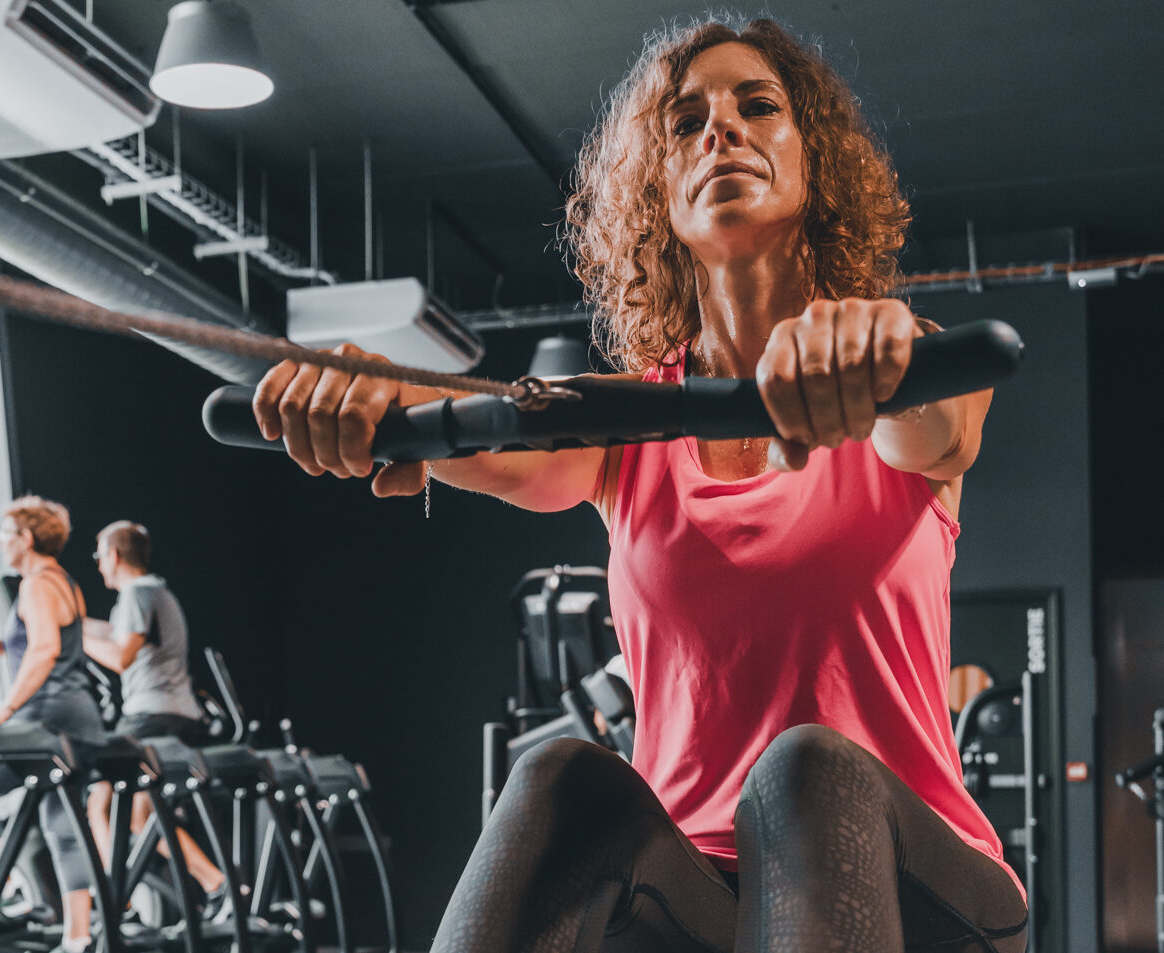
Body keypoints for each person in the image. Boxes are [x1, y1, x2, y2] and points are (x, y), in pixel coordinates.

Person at [250, 15, 1026, 953]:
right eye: (685, 120)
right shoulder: (629, 423)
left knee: (804, 769)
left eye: (758, 107)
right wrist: (373, 397)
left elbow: (938, 431)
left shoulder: (908, 368)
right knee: (560, 777)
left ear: (811, 159)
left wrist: (874, 358)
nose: (720, 130)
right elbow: (490, 434)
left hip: (924, 896)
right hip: (700, 899)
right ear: (660, 190)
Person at [0, 496, 104, 953]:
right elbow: (46, 643)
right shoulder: (65, 583)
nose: (1, 542)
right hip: (80, 715)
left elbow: (43, 651)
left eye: (5, 534)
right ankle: (77, 939)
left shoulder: (36, 584)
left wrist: (3, 709)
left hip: (47, 712)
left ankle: (13, 891)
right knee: (62, 823)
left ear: (27, 538)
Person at [81, 520, 225, 899]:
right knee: (143, 815)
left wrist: (73, 636)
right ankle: (218, 885)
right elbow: (114, 634)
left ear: (113, 555)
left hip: (150, 715)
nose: (98, 565)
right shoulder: (158, 593)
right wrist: (70, 623)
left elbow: (120, 656)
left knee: (101, 802)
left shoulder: (136, 595)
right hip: (177, 713)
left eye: (99, 556)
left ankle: (116, 903)